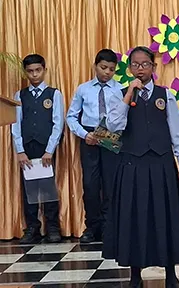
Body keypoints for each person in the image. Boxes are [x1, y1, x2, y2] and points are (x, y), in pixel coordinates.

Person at [102, 46, 179, 288]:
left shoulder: (165, 95)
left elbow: (177, 131)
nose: (140, 69)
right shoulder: (120, 94)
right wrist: (129, 94)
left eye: (145, 64)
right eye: (135, 65)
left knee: (165, 217)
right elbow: (113, 127)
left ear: (153, 67)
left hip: (161, 164)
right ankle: (135, 276)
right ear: (129, 68)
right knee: (134, 218)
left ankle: (171, 275)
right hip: (132, 165)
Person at [66, 49, 121, 243]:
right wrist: (84, 134)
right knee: (90, 184)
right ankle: (91, 226)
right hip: (89, 137)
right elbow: (71, 117)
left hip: (111, 136)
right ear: (95, 66)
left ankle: (109, 226)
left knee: (111, 184)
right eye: (103, 67)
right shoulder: (83, 89)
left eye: (111, 69)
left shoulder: (120, 89)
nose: (107, 72)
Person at [11, 54, 64, 244]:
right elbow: (16, 124)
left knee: (48, 188)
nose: (34, 75)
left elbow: (58, 123)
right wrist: (20, 150)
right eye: (30, 71)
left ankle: (52, 226)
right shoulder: (20, 95)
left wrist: (50, 149)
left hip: (45, 147)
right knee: (29, 189)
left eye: (38, 70)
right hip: (27, 148)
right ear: (25, 72)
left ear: (44, 70)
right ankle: (32, 226)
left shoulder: (54, 94)